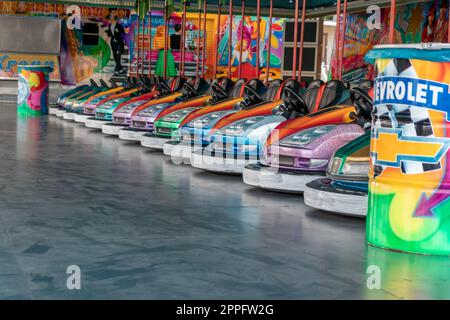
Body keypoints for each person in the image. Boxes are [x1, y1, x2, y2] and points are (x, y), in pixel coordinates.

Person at [106, 8, 126, 75]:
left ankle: (116, 70)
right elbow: (109, 34)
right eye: (110, 16)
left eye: (112, 16)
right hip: (113, 43)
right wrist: (108, 36)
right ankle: (120, 68)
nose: (111, 17)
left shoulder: (119, 26)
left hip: (119, 43)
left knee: (118, 55)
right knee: (115, 56)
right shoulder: (109, 26)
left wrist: (120, 33)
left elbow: (123, 33)